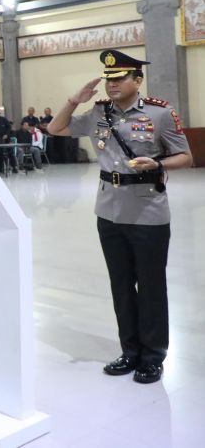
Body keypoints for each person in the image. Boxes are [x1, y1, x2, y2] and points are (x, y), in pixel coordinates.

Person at [48, 50, 191, 384]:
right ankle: (130, 351)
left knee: (151, 286)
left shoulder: (160, 113)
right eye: (109, 79)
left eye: (120, 78)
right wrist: (74, 99)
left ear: (137, 80)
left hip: (148, 211)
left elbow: (186, 156)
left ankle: (153, 356)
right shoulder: (98, 112)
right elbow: (55, 129)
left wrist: (158, 164)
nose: (112, 84)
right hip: (109, 212)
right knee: (121, 285)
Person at [0, 109, 18, 175]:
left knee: (10, 153)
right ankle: (1, 168)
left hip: (6, 139)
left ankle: (14, 167)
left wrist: (7, 134)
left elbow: (9, 127)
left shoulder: (3, 119)